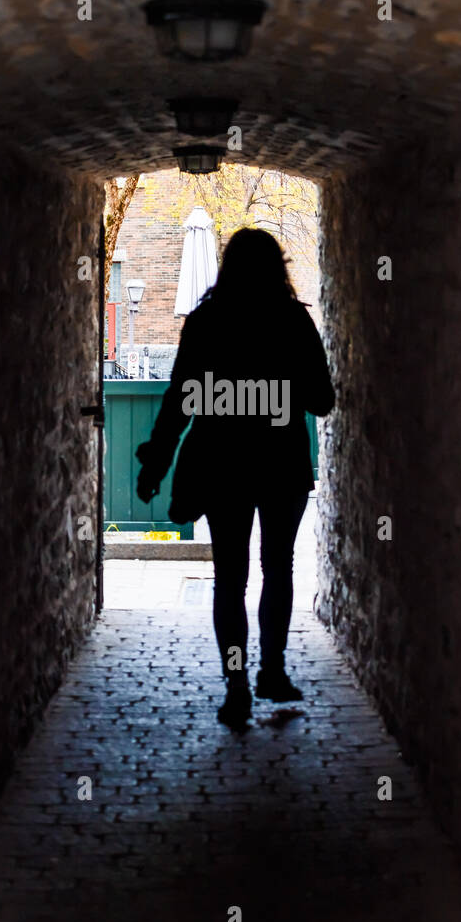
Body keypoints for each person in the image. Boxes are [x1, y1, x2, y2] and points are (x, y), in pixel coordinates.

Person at [135, 227, 335, 729]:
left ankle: (237, 686)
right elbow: (322, 400)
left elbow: (180, 399)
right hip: (280, 464)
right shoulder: (292, 321)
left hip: (222, 463)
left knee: (230, 577)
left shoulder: (207, 321)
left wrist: (157, 463)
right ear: (278, 269)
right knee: (278, 569)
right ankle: (272, 669)